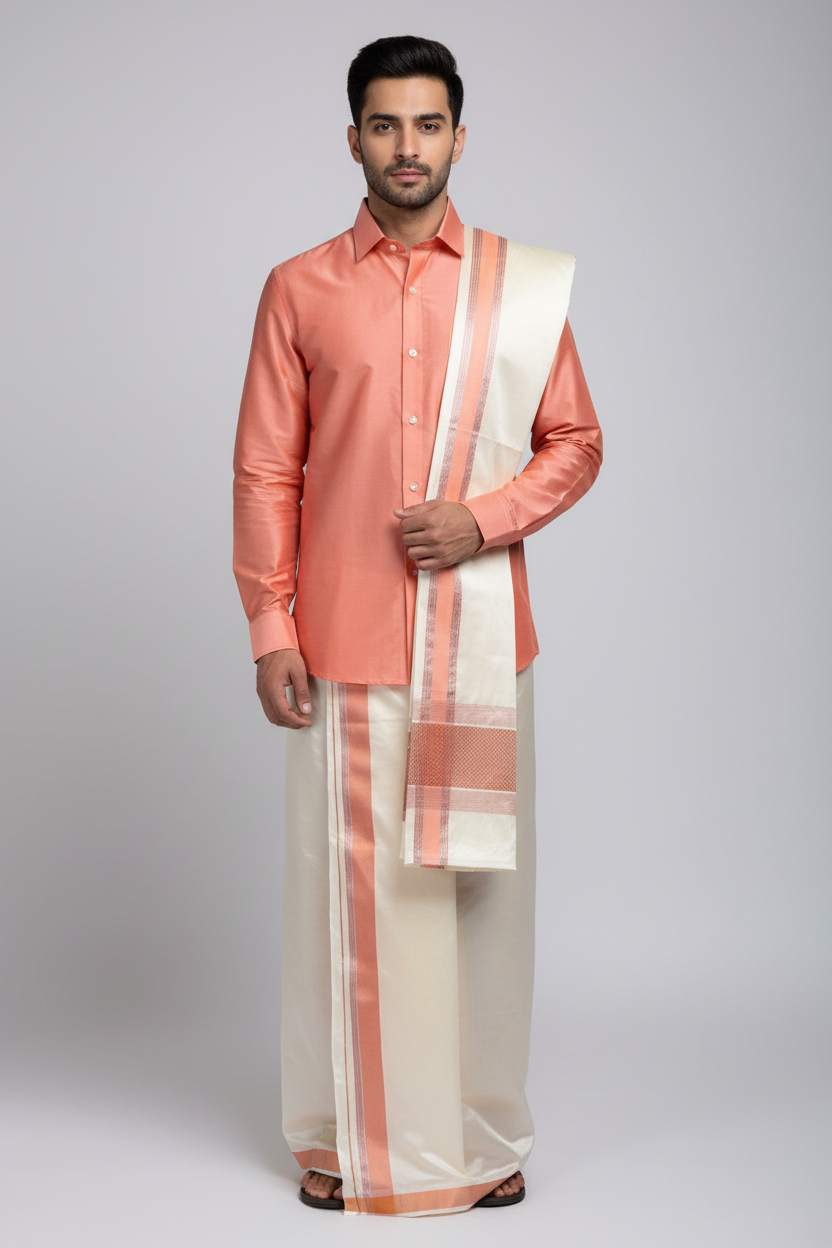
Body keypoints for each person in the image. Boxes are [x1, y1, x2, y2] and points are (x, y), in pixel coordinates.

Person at [232, 35, 602, 1217]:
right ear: (353, 139)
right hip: (342, 642)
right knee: (338, 901)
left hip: (482, 646)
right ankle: (333, 1135)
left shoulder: (514, 289)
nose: (408, 147)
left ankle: (484, 1138)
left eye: (428, 124)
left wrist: (482, 520)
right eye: (385, 125)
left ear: (458, 136)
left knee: (479, 896)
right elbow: (265, 470)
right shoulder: (298, 289)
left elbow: (575, 441)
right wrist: (270, 626)